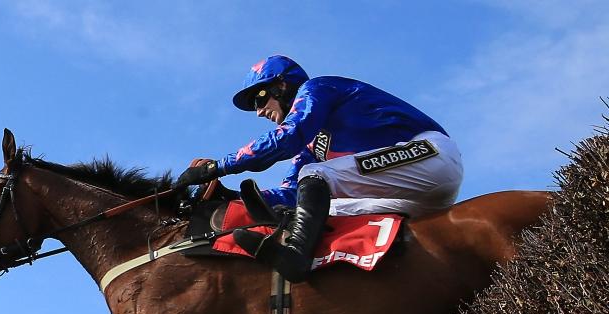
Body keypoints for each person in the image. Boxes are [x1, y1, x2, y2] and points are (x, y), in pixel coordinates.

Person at [176, 55, 463, 283]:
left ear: (282, 86)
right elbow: (291, 194)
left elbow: (288, 137)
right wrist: (230, 199)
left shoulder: (318, 89)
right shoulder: (310, 148)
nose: (259, 111)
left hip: (431, 155)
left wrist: (221, 165)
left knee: (315, 176)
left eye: (260, 99)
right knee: (315, 211)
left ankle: (295, 258)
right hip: (419, 196)